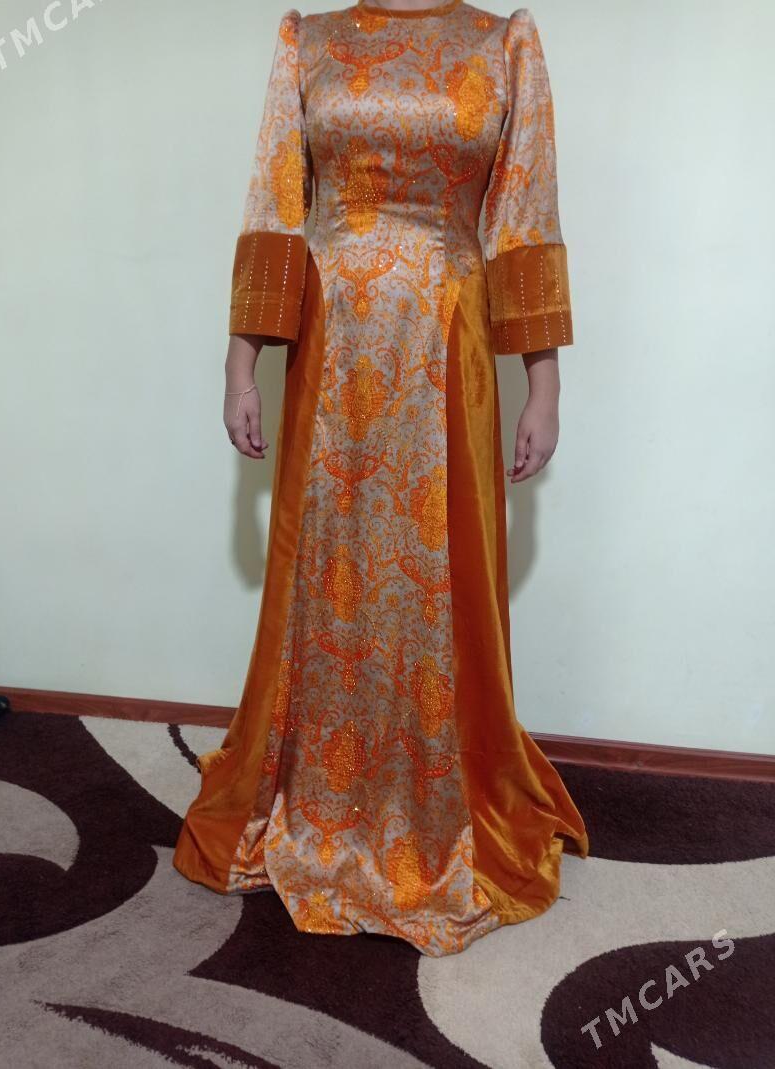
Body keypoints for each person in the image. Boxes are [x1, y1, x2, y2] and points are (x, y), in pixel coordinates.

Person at [173, 0, 588, 957]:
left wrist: (546, 383)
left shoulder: (502, 42)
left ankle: (435, 803)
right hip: (332, 347)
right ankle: (320, 792)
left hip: (447, 345)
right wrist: (240, 361)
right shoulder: (307, 40)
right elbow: (276, 205)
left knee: (437, 571)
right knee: (331, 570)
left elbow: (525, 215)